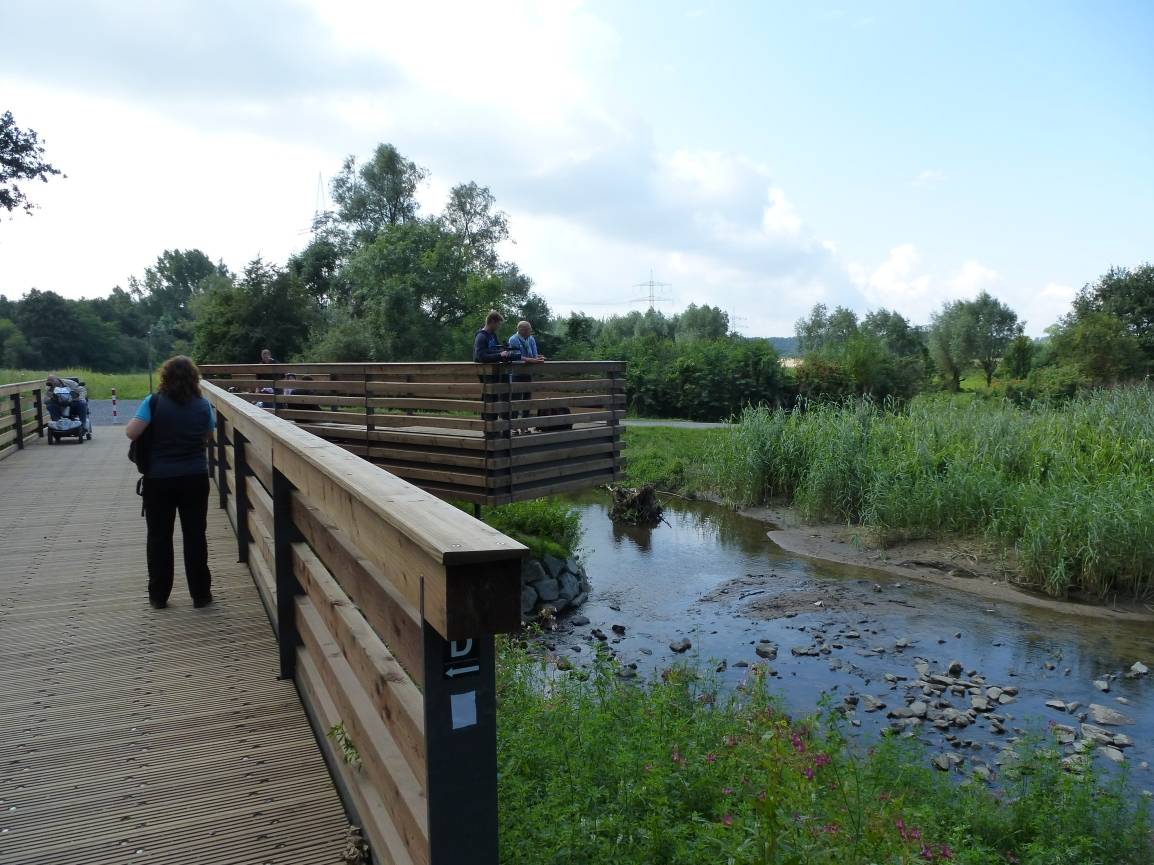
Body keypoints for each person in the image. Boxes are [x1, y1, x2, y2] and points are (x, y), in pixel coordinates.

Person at [125, 356, 216, 610]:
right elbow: (208, 435)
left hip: (159, 479)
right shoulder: (203, 405)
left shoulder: (153, 402)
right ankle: (200, 594)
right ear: (194, 378)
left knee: (159, 537)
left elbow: (132, 432)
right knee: (195, 536)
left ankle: (159, 595)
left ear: (165, 377)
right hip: (195, 478)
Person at [508, 321, 546, 432]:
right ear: (522, 330)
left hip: (528, 373)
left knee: (527, 400)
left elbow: (534, 355)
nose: (530, 331)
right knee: (515, 400)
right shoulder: (513, 340)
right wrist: (534, 360)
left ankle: (524, 425)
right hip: (516, 373)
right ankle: (514, 426)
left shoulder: (531, 339)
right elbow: (516, 357)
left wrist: (539, 358)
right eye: (528, 329)